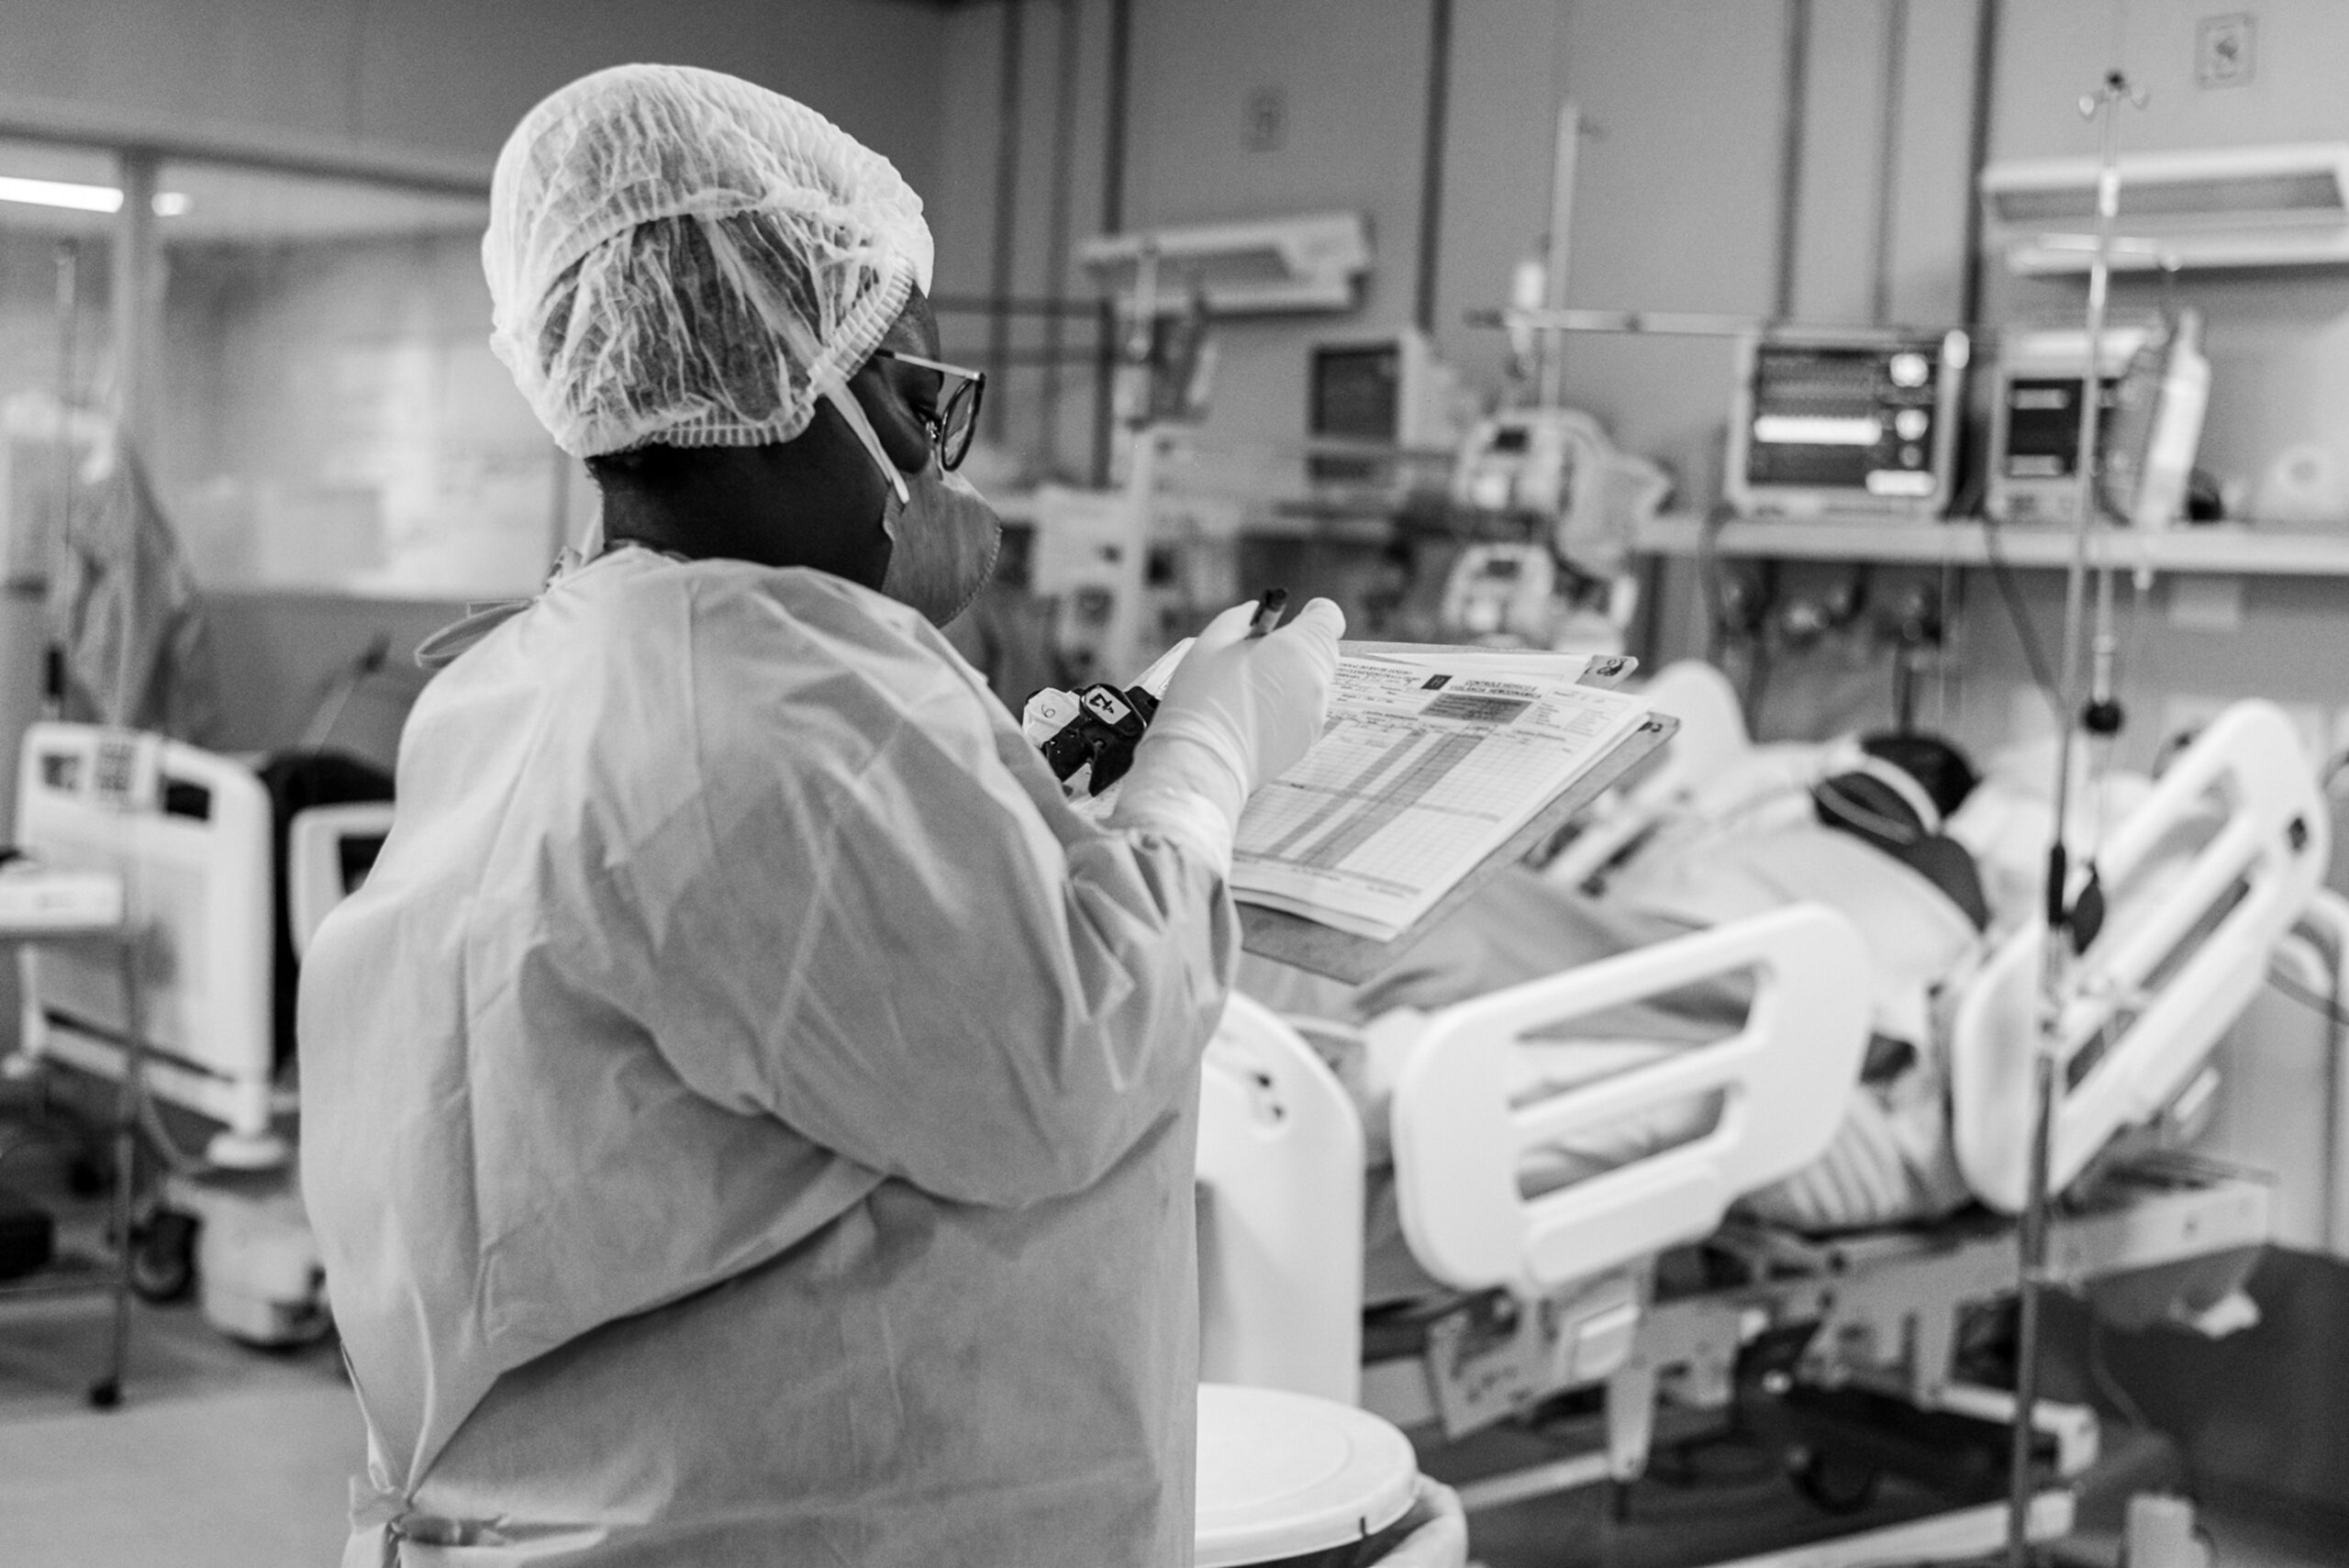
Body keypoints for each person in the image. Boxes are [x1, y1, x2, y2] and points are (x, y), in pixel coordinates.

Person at [298, 63, 1342, 1567]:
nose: (929, 456)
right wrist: (1208, 756)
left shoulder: (551, 664)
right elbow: (1080, 1051)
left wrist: (1010, 802)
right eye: (915, 402)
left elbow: (802, 986)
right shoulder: (776, 706)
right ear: (785, 384)